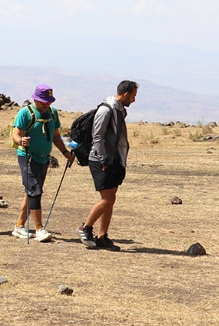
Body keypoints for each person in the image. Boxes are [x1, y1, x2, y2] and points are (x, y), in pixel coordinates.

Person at [78, 80, 138, 251]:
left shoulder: (119, 110)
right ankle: (85, 228)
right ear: (126, 94)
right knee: (108, 199)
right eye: (133, 96)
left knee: (111, 199)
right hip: (100, 160)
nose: (134, 100)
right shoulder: (106, 110)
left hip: (115, 160)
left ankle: (102, 236)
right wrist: (104, 159)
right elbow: (98, 136)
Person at [11, 85, 75, 242]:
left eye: (49, 102)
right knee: (35, 191)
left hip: (44, 158)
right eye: (43, 102)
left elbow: (55, 136)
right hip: (28, 157)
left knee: (31, 192)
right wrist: (21, 141)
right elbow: (16, 135)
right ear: (35, 99)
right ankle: (39, 229)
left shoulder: (53, 113)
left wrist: (65, 153)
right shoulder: (25, 113)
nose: (46, 105)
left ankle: (19, 226)